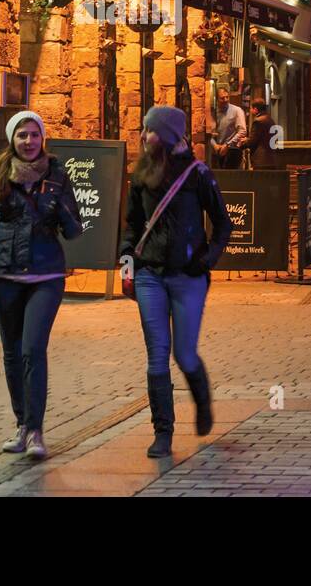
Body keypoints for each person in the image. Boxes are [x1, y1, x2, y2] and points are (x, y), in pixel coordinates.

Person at [0, 111, 84, 460]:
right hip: (3, 276)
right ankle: (22, 425)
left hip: (45, 276)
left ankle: (37, 430)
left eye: (34, 135)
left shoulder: (57, 175)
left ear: (43, 139)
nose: (29, 142)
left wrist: (62, 208)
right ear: (12, 140)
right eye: (22, 136)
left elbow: (75, 230)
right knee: (12, 354)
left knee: (32, 350)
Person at [120, 105, 231, 458]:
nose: (142, 135)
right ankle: (163, 433)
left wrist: (207, 258)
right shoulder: (141, 173)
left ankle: (202, 400)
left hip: (188, 277)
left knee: (184, 353)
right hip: (150, 275)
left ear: (166, 135)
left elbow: (223, 224)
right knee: (157, 355)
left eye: (148, 130)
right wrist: (127, 259)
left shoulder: (198, 173)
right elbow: (132, 225)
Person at [209, 86, 246, 170]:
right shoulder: (213, 112)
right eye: (222, 98)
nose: (225, 99)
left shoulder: (237, 111)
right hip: (217, 152)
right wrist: (215, 146)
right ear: (216, 99)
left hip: (232, 151)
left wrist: (227, 145)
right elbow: (209, 132)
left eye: (227, 97)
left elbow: (242, 131)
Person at [242, 98, 277, 169]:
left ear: (255, 109)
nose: (250, 110)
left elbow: (253, 141)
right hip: (272, 159)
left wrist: (244, 142)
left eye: (251, 108)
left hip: (260, 160)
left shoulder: (258, 121)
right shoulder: (270, 120)